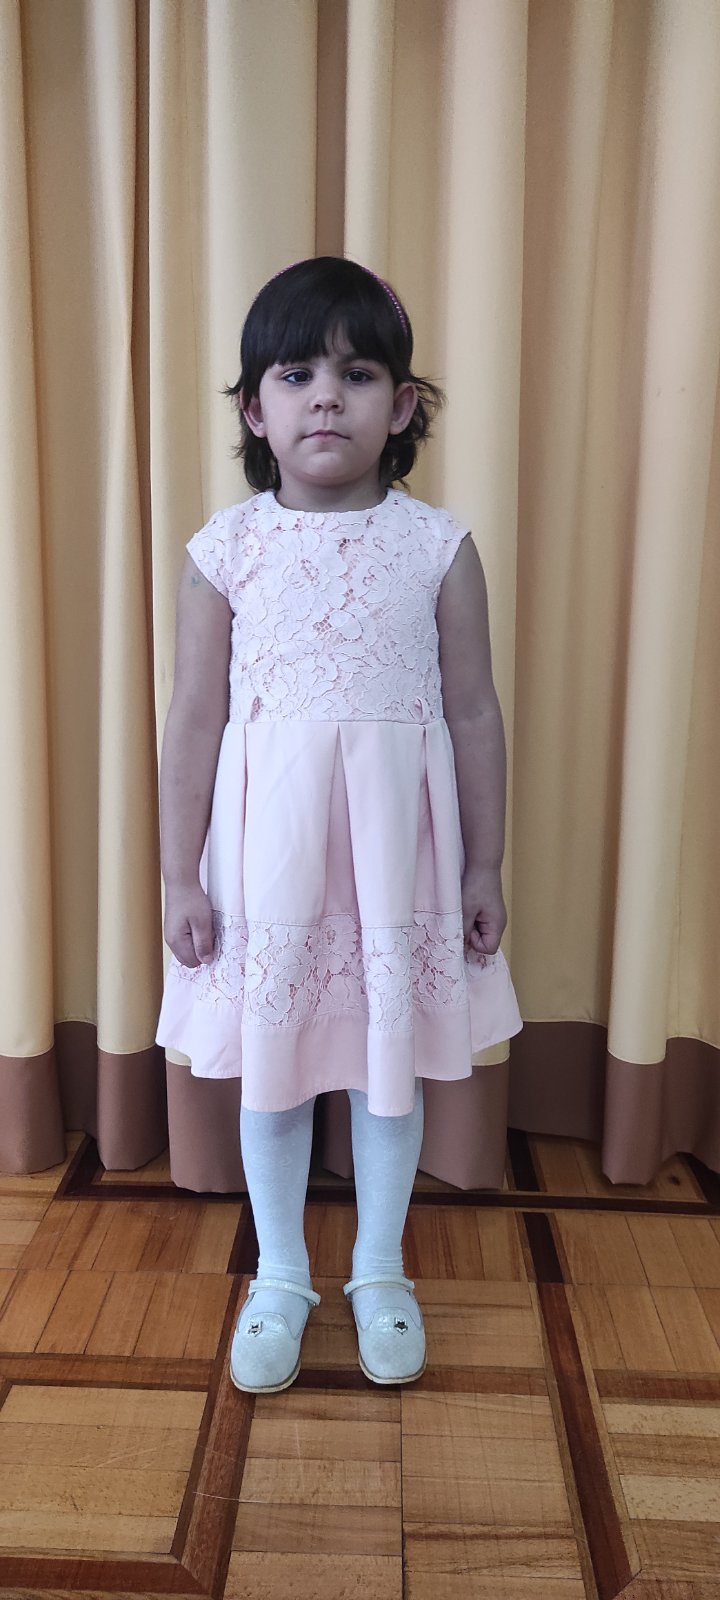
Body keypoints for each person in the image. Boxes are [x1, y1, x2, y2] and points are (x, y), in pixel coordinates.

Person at [156, 256, 522, 1395]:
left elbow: (473, 711)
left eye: (358, 375)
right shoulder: (225, 551)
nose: (327, 396)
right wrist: (178, 876)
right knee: (273, 1065)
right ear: (253, 411)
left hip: (396, 856)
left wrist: (486, 865)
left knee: (384, 1065)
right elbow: (194, 720)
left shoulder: (438, 546)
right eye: (297, 374)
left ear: (402, 406)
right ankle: (278, 1272)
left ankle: (378, 1266)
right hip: (269, 859)